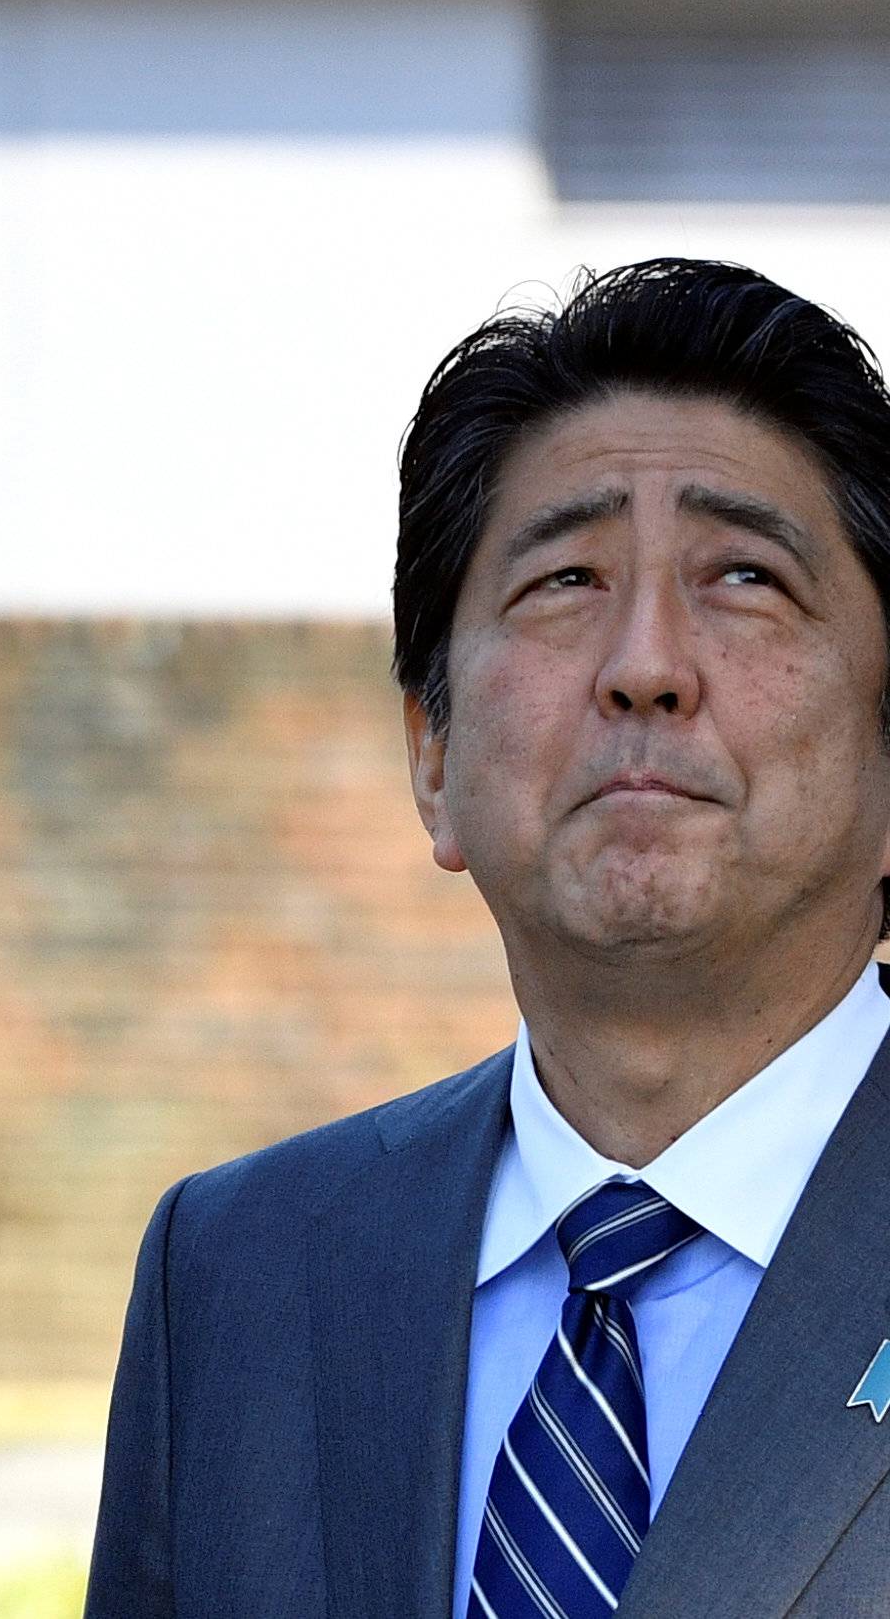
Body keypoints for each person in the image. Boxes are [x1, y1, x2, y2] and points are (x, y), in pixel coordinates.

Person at [87, 257, 890, 1619]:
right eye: (565, 576)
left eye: (745, 575)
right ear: (433, 755)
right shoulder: (236, 1276)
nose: (647, 661)